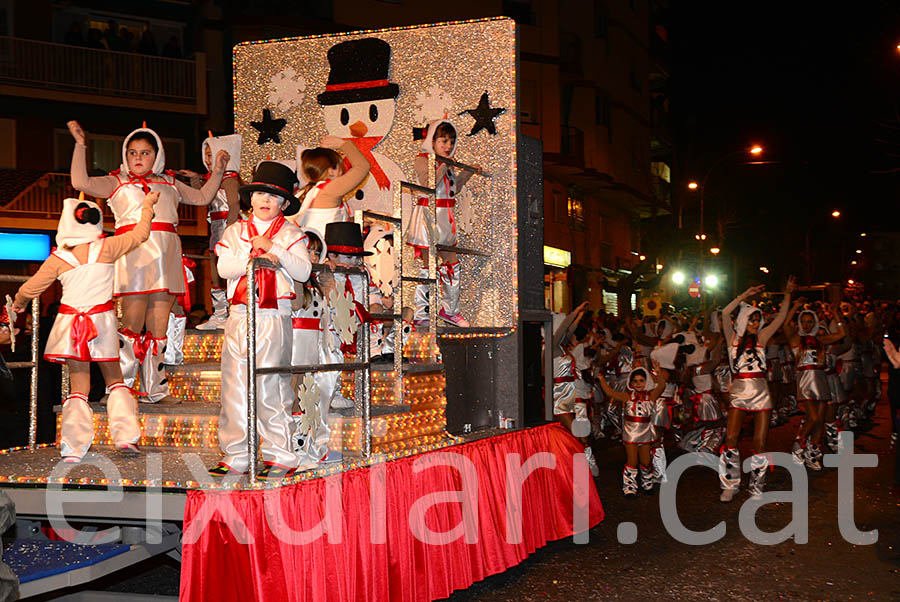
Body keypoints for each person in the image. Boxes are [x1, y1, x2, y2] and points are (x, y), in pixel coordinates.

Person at [68, 120, 229, 403]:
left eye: (145, 153)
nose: (138, 158)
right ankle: (120, 390)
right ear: (125, 155)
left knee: (159, 328)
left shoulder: (169, 182)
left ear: (157, 155)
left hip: (166, 255)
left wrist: (217, 170)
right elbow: (80, 182)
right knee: (130, 325)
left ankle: (155, 390)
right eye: (133, 152)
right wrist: (81, 145)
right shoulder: (116, 181)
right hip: (133, 256)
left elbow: (204, 197)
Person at [12, 193, 159, 462]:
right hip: (100, 321)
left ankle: (74, 447)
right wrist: (148, 206)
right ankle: (126, 438)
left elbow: (29, 288)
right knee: (114, 380)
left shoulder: (60, 258)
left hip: (70, 323)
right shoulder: (107, 247)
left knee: (78, 387)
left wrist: (19, 305)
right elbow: (140, 234)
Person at [209, 161, 312, 479]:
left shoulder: (291, 233)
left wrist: (275, 250)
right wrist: (255, 259)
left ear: (283, 203)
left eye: (274, 196)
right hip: (239, 315)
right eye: (260, 194)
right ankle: (237, 453)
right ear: (250, 199)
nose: (266, 200)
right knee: (234, 387)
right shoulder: (235, 232)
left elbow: (304, 271)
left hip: (272, 316)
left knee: (271, 384)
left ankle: (281, 454)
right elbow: (225, 268)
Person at [717, 276, 796, 502]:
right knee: (731, 437)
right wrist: (745, 295)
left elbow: (780, 319)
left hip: (761, 391)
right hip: (740, 390)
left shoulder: (762, 338)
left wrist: (787, 294)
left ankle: (756, 486)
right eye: (751, 320)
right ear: (743, 320)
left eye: (757, 320)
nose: (755, 324)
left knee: (760, 442)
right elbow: (724, 313)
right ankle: (730, 484)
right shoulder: (732, 338)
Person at [405, 120, 481, 327]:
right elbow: (428, 184)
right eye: (443, 140)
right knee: (427, 267)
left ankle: (449, 311)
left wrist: (466, 172)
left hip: (445, 218)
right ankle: (421, 314)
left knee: (452, 265)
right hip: (428, 217)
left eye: (451, 141)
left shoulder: (445, 162)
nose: (448, 145)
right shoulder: (423, 159)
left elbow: (452, 190)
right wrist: (445, 164)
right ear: (433, 140)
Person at [179, 133, 243, 331]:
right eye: (206, 155)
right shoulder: (214, 179)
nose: (208, 160)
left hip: (226, 231)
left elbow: (234, 205)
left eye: (211, 154)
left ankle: (231, 314)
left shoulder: (230, 179)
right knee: (215, 275)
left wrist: (230, 235)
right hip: (216, 230)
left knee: (226, 275)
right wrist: (197, 180)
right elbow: (204, 198)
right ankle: (220, 314)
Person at [784, 302, 845, 470]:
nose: (807, 325)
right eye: (803, 321)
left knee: (820, 421)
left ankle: (813, 454)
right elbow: (785, 325)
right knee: (814, 417)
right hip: (805, 381)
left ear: (816, 323)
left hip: (821, 379)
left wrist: (835, 313)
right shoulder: (795, 338)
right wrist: (795, 307)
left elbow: (842, 333)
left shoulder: (820, 340)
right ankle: (798, 445)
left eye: (810, 321)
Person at [545, 302, 600, 477]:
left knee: (581, 431)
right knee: (573, 433)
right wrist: (575, 311)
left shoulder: (561, 346)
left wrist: (579, 316)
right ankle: (578, 468)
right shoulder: (551, 347)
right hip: (559, 394)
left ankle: (588, 464)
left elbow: (568, 330)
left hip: (571, 391)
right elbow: (563, 330)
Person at [597, 364, 668, 496]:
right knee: (632, 461)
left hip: (645, 433)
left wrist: (658, 373)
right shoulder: (627, 397)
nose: (638, 383)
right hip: (631, 434)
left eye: (641, 380)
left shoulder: (651, 396)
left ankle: (647, 483)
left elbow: (662, 386)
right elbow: (610, 392)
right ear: (631, 383)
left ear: (646, 382)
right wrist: (601, 379)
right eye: (635, 381)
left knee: (646, 461)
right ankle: (629, 486)